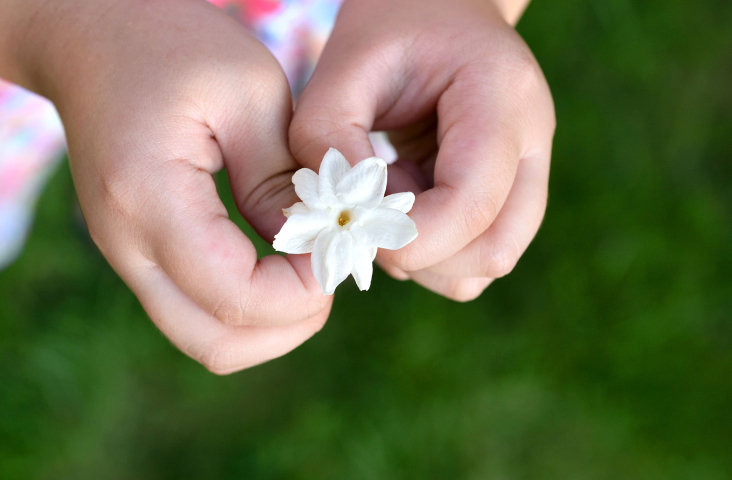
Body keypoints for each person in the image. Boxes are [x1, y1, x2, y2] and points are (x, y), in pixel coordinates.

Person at [0, 0, 555, 374]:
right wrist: (67, 27)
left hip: (334, 34)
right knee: (122, 134)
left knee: (166, 145)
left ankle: (124, 186)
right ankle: (110, 182)